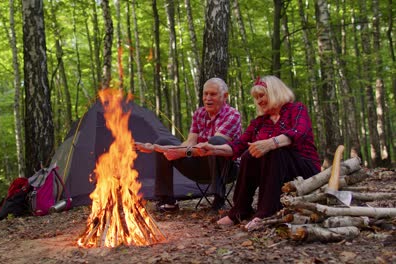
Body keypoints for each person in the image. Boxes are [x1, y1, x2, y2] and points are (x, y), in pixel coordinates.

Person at [197, 75, 321, 229]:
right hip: (275, 173)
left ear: (275, 92)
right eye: (256, 98)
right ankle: (240, 210)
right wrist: (213, 149)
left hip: (304, 169)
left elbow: (299, 132)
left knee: (274, 150)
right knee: (249, 154)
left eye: (261, 95)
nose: (259, 101)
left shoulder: (296, 109)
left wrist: (271, 143)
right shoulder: (259, 123)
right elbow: (238, 145)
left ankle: (266, 212)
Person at [135, 77, 242, 212]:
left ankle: (219, 200)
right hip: (200, 165)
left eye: (213, 94)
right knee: (163, 142)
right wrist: (155, 148)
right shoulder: (199, 113)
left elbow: (211, 147)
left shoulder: (232, 115)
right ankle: (167, 201)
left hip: (227, 168)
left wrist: (180, 152)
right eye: (205, 94)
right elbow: (189, 142)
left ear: (225, 96)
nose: (208, 98)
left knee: (216, 142)